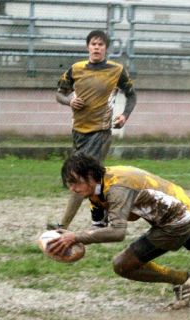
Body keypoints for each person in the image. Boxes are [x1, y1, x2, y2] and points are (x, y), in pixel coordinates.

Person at [47, 153, 190, 309]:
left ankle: (184, 280)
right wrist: (72, 238)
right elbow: (100, 227)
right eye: (69, 184)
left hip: (175, 219)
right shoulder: (96, 190)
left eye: (75, 182)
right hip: (181, 208)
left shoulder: (115, 188)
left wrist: (75, 237)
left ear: (90, 176)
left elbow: (117, 231)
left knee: (122, 264)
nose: (73, 189)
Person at [49, 29, 137, 230]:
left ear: (106, 48)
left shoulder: (116, 70)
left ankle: (63, 225)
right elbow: (59, 94)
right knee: (94, 176)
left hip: (101, 131)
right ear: (88, 46)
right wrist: (69, 100)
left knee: (82, 177)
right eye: (93, 44)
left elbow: (132, 95)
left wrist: (124, 116)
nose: (97, 47)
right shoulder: (76, 69)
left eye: (101, 44)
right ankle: (100, 216)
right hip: (79, 131)